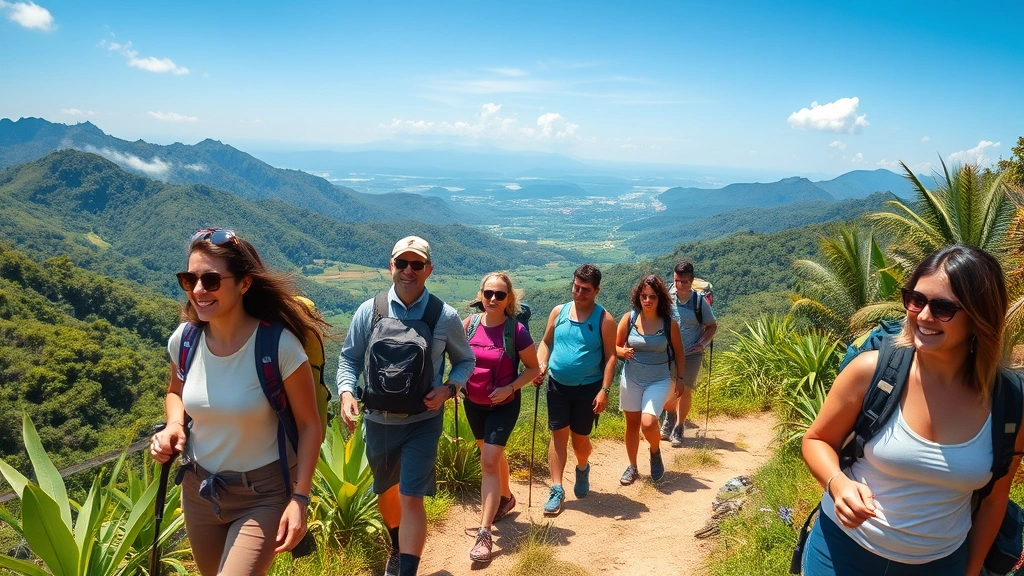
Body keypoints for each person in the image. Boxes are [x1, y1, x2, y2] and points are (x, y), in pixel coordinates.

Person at [801, 244, 1024, 575]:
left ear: (980, 317)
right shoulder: (872, 371)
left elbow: (994, 502)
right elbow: (817, 440)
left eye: (943, 307)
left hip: (941, 563)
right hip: (843, 552)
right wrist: (838, 483)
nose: (922, 316)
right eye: (915, 299)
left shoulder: (1010, 401)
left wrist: (972, 570)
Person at [150, 228, 325, 576]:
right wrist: (172, 425)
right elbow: (176, 392)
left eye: (211, 280)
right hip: (200, 491)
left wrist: (299, 499)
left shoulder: (279, 347)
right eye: (190, 279)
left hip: (263, 494)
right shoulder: (184, 340)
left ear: (244, 284)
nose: (198, 290)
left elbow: (309, 426)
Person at [337, 236, 475, 576]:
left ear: (428, 269)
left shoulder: (444, 315)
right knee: (386, 492)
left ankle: (406, 569)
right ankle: (397, 545)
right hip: (378, 419)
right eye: (401, 263)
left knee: (411, 495)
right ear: (391, 267)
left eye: (416, 265)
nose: (408, 271)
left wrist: (449, 388)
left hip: (423, 420)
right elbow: (348, 360)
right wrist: (345, 393)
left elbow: (465, 361)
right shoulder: (369, 310)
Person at [461, 272, 541, 562]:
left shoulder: (516, 331)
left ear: (509, 300)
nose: (493, 299)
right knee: (490, 455)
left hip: (504, 404)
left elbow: (533, 369)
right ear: (480, 295)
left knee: (489, 461)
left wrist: (509, 387)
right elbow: (458, 358)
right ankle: (506, 498)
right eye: (488, 293)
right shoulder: (468, 326)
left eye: (500, 294)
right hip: (473, 402)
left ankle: (485, 534)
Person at [533, 264, 617, 515]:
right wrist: (541, 364)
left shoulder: (604, 319)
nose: (579, 293)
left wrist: (605, 390)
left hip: (587, 389)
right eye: (576, 287)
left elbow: (612, 356)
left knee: (580, 441)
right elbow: (546, 342)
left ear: (597, 291)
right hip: (557, 384)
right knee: (558, 434)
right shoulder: (558, 312)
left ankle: (582, 467)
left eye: (586, 290)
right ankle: (557, 488)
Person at [615, 274, 686, 484]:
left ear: (659, 299)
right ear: (638, 297)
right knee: (632, 424)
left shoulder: (668, 323)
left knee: (648, 423)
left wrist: (680, 379)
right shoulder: (629, 319)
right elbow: (614, 346)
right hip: (631, 378)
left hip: (659, 379)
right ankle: (633, 467)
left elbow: (679, 352)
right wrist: (622, 352)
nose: (647, 300)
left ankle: (655, 451)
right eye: (644, 296)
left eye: (652, 297)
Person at [661, 259, 717, 447]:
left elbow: (711, 326)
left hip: (691, 353)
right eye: (677, 281)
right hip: (668, 354)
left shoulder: (699, 302)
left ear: (691, 281)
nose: (680, 285)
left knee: (684, 390)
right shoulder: (667, 299)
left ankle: (679, 426)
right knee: (667, 390)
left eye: (684, 282)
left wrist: (701, 343)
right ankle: (669, 415)